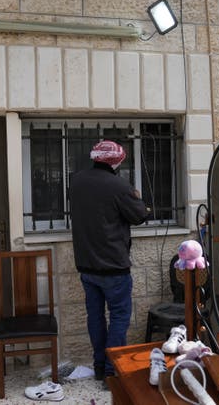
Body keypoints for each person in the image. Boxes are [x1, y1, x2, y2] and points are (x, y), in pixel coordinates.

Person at [69, 140, 150, 381]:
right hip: (114, 267)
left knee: (95, 317)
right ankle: (112, 373)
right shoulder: (118, 186)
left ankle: (99, 367)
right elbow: (139, 216)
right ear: (116, 161)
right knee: (119, 317)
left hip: (86, 265)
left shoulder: (76, 182)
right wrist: (137, 199)